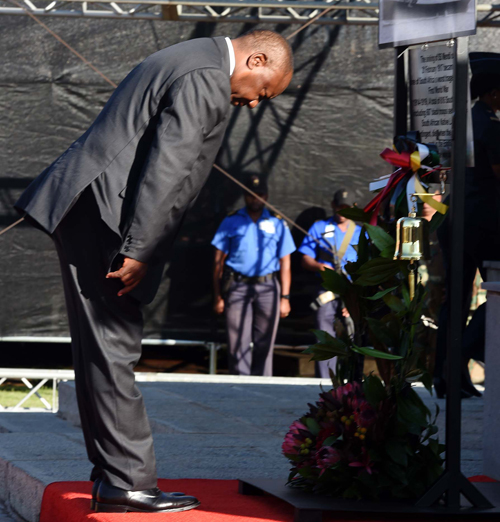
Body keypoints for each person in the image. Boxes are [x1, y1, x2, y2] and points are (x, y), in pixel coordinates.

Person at [14, 31, 293, 513]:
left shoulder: (194, 56)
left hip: (92, 210)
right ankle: (127, 482)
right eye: (263, 91)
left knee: (100, 350)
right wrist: (139, 248)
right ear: (258, 57)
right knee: (114, 346)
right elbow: (171, 164)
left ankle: (113, 477)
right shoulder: (206, 76)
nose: (253, 104)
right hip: (107, 220)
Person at [434, 52, 500, 398]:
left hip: (457, 220)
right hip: (484, 223)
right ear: (492, 93)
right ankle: (468, 350)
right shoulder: (491, 126)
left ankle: (448, 376)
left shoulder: (464, 120)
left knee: (455, 302)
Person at [212, 175, 296, 376]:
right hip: (237, 285)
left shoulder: (277, 223)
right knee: (237, 340)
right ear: (244, 196)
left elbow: (286, 262)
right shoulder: (231, 220)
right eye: (250, 195)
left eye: (259, 195)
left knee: (265, 340)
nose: (255, 199)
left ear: (265, 196)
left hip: (268, 287)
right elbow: (217, 262)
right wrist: (218, 296)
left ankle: (263, 384)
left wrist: (285, 297)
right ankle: (240, 385)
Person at [298, 189, 361, 378]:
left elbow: (367, 268)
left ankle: (354, 378)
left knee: (354, 336)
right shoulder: (319, 227)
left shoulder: (361, 233)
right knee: (324, 338)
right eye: (339, 207)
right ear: (333, 206)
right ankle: (327, 380)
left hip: (352, 292)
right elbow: (305, 258)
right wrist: (320, 267)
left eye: (346, 208)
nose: (342, 212)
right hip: (326, 290)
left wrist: (355, 299)